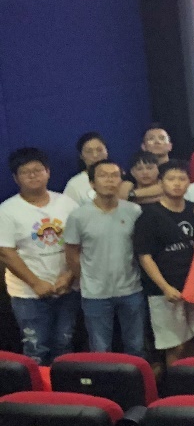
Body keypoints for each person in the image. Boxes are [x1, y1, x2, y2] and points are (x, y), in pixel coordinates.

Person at [0, 148, 79, 363]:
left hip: (66, 288)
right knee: (36, 348)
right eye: (26, 172)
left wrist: (69, 276)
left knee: (65, 345)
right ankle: (37, 386)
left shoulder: (67, 204)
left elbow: (81, 244)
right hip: (28, 294)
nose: (33, 175)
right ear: (16, 178)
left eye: (38, 170)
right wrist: (36, 283)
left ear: (48, 172)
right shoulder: (7, 210)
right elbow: (6, 252)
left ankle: (62, 385)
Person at [63, 160, 145, 356]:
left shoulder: (134, 211)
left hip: (131, 289)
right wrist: (85, 279)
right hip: (95, 293)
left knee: (136, 346)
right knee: (100, 350)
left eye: (114, 175)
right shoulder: (78, 216)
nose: (110, 180)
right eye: (103, 176)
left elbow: (141, 250)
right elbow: (72, 253)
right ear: (92, 183)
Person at [134, 161, 194, 367]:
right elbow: (145, 256)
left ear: (189, 183)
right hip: (164, 291)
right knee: (176, 346)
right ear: (160, 183)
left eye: (182, 179)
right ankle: (176, 384)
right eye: (171, 179)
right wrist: (165, 287)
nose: (177, 183)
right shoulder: (149, 215)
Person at [64, 132, 113, 205]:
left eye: (99, 150)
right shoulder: (75, 184)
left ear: (107, 151)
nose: (95, 155)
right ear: (81, 156)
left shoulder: (119, 178)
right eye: (89, 151)